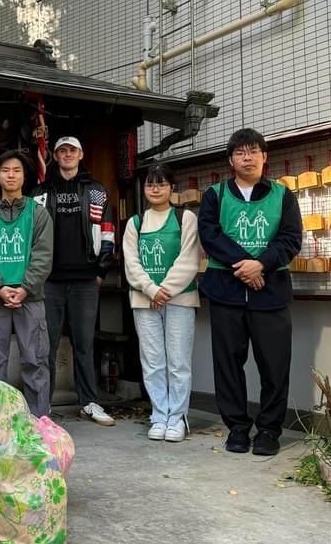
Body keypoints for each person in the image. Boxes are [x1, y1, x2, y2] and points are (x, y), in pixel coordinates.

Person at [197, 128, 302, 456]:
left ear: (264, 156)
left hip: (270, 294)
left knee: (275, 365)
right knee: (227, 364)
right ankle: (238, 429)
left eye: (253, 151)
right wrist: (246, 265)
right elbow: (210, 236)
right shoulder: (215, 195)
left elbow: (290, 239)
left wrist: (262, 265)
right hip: (226, 293)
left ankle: (269, 431)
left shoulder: (283, 196)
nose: (247, 157)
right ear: (231, 160)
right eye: (240, 153)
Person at [31, 136, 116, 425]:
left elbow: (107, 232)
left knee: (84, 343)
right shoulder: (40, 193)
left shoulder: (96, 191)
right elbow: (31, 236)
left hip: (84, 280)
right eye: (61, 151)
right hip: (49, 280)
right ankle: (43, 406)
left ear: (81, 154)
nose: (67, 155)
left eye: (72, 150)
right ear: (54, 156)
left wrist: (100, 271)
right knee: (47, 344)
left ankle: (89, 402)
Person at [123, 164, 201, 442]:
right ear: (144, 190)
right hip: (144, 301)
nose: (155, 189)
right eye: (150, 185)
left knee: (178, 362)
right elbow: (131, 264)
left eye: (162, 184)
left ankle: (177, 418)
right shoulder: (135, 223)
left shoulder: (185, 218)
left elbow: (189, 258)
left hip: (180, 299)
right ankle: (159, 415)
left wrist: (163, 290)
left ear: (171, 188)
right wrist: (150, 289)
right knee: (153, 361)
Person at [0, 150, 53, 417]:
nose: (11, 175)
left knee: (35, 360)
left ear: (24, 176)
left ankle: (38, 419)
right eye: (5, 170)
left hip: (30, 298)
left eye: (16, 170)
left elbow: (43, 255)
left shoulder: (38, 213)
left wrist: (24, 288)